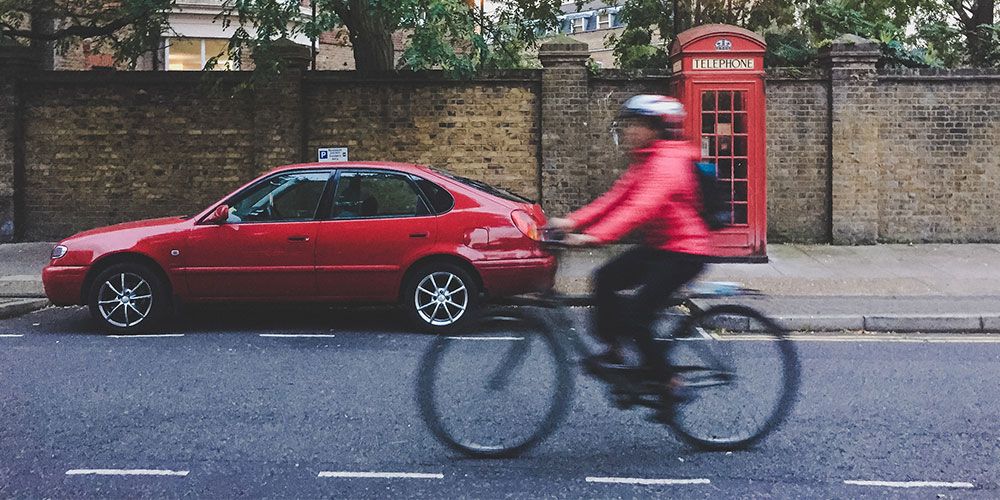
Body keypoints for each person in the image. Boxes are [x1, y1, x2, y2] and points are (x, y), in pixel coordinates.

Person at [548, 94, 711, 392]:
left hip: (685, 253)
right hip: (661, 246)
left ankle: (667, 380)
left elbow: (638, 209)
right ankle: (615, 349)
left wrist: (593, 237)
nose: (628, 131)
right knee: (605, 277)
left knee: (638, 316)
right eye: (629, 124)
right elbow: (614, 199)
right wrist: (571, 222)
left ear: (656, 128)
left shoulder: (668, 163)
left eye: (636, 125)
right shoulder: (646, 161)